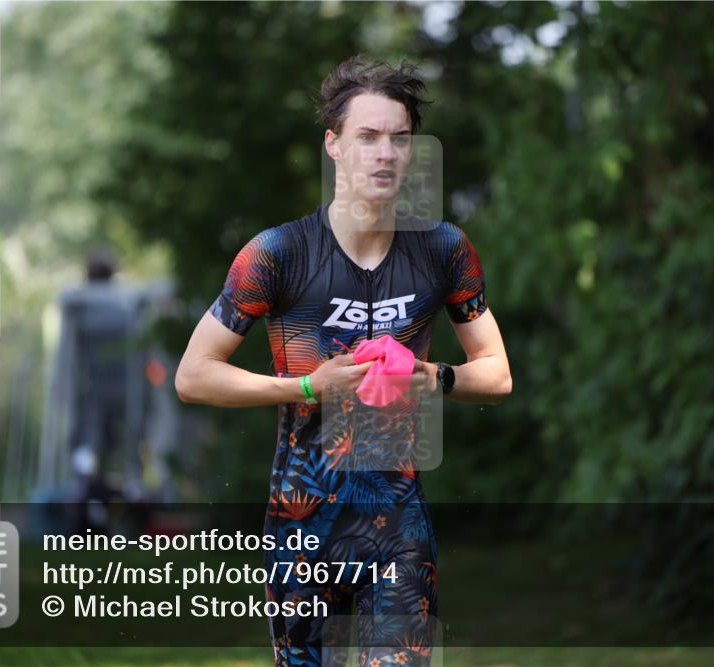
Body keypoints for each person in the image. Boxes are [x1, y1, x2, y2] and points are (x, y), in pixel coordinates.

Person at [175, 54, 511, 667]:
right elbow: (194, 375)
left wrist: (431, 376)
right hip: (303, 520)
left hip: (398, 522)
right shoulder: (277, 254)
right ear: (334, 145)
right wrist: (307, 387)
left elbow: (497, 373)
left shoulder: (443, 250)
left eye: (399, 138)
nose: (385, 153)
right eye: (368, 136)